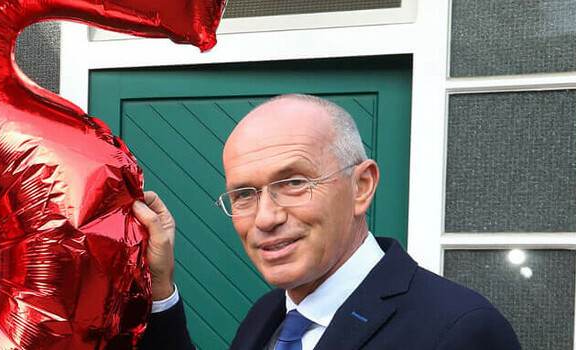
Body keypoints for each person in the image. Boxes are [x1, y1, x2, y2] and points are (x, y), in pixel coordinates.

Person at [135, 94, 522, 350]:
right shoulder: (267, 315)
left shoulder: (460, 331)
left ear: (362, 187)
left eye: (293, 183)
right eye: (244, 195)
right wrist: (159, 289)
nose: (266, 218)